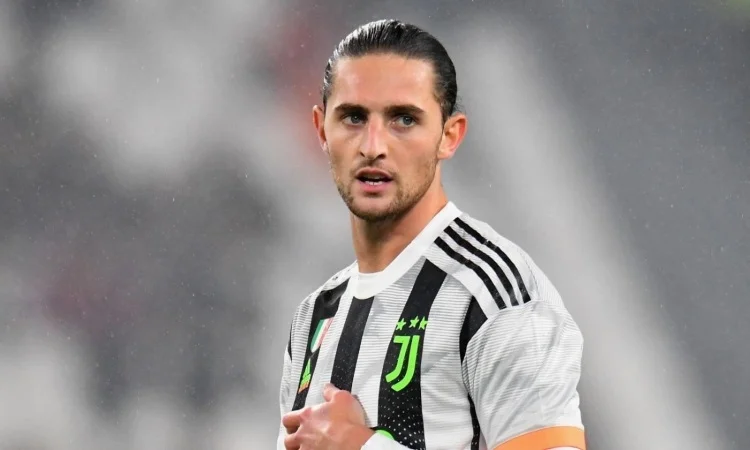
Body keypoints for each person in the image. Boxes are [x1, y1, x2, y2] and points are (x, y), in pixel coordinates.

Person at [277, 19, 585, 450]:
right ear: (321, 130)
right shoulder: (314, 315)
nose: (373, 146)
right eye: (353, 117)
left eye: (404, 119)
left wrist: (362, 447)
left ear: (449, 136)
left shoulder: (496, 295)